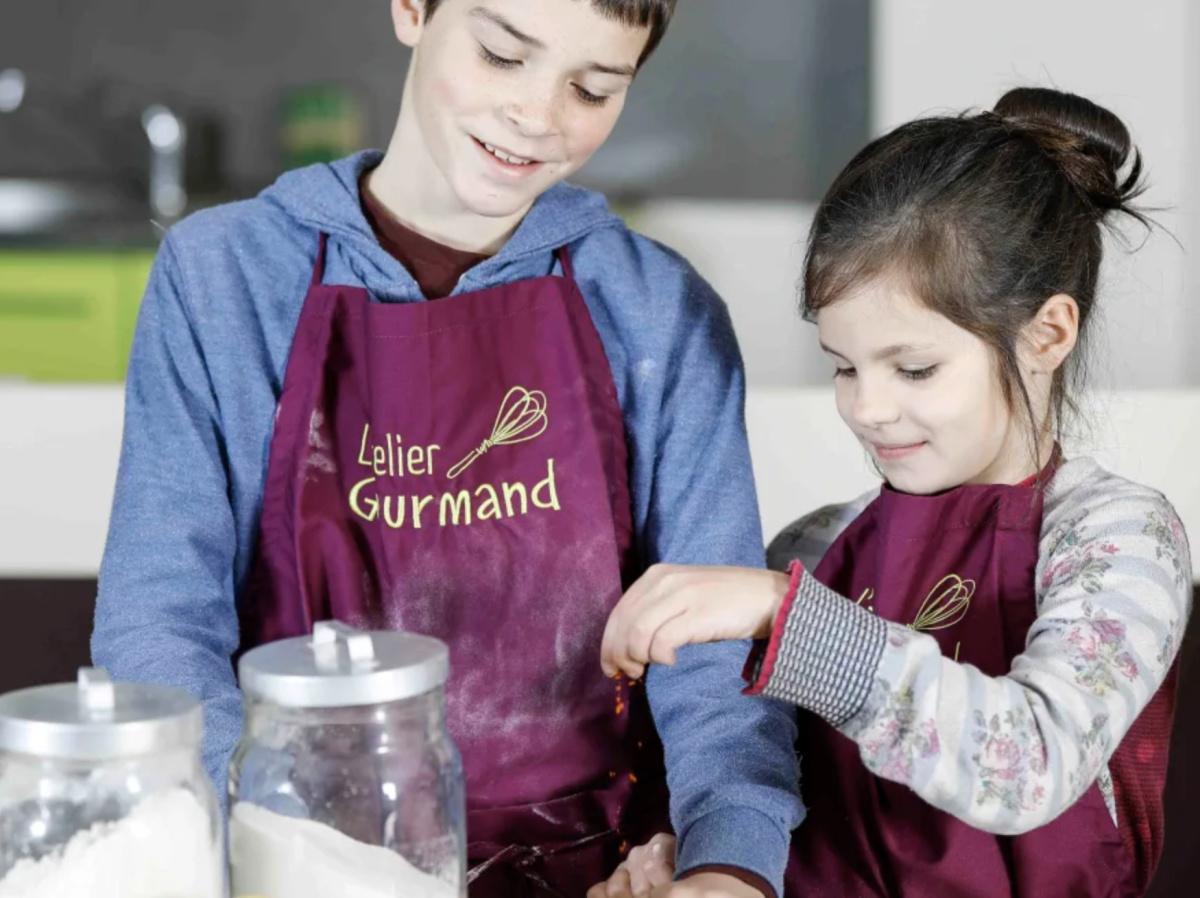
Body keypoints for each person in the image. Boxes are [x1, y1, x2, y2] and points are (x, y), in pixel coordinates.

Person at [91, 1, 803, 894]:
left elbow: (711, 660)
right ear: (411, 9)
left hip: (597, 867)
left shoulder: (661, 311)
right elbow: (160, 624)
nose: (538, 117)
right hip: (292, 860)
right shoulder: (223, 278)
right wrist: (288, 853)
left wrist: (731, 864)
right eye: (504, 55)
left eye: (591, 88)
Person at [598, 87, 1192, 897]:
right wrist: (692, 854)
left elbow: (1028, 765)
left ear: (1046, 334)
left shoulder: (1119, 538)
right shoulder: (815, 548)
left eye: (914, 368)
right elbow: (750, 771)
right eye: (844, 366)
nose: (866, 408)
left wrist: (786, 615)